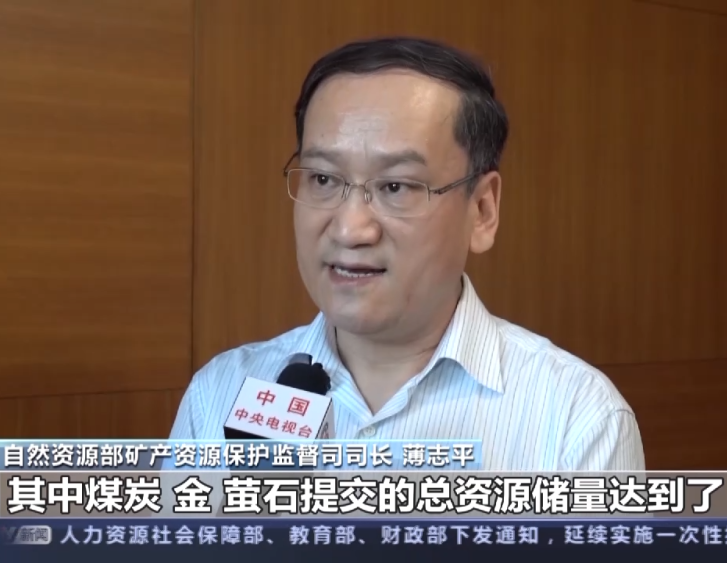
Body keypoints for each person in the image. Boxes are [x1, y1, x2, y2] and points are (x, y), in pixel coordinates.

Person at [169, 36, 645, 471]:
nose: (350, 229)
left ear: (482, 210)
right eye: (323, 179)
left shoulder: (578, 421)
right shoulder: (219, 395)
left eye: (396, 186)